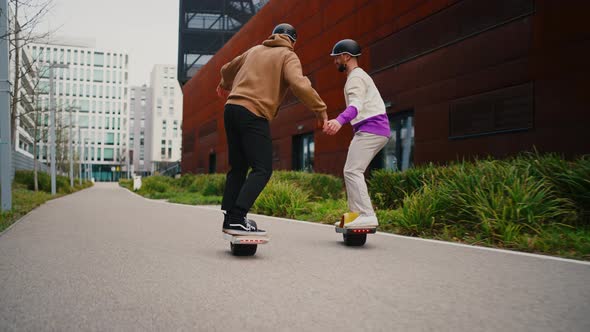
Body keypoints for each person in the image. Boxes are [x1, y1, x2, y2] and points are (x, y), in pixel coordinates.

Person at [217, 23, 328, 235]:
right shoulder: (288, 55)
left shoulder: (255, 50)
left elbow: (227, 68)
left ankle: (230, 218)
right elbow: (299, 84)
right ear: (293, 41)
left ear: (274, 35)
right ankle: (238, 217)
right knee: (262, 169)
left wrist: (224, 83)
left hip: (231, 109)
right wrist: (320, 109)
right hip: (253, 112)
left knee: (238, 167)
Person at [323, 39, 391, 228]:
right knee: (351, 170)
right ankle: (356, 216)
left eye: (337, 57)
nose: (335, 61)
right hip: (371, 128)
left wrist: (339, 120)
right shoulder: (357, 76)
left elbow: (356, 106)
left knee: (353, 170)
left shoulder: (355, 77)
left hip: (372, 128)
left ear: (346, 56)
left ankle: (366, 214)